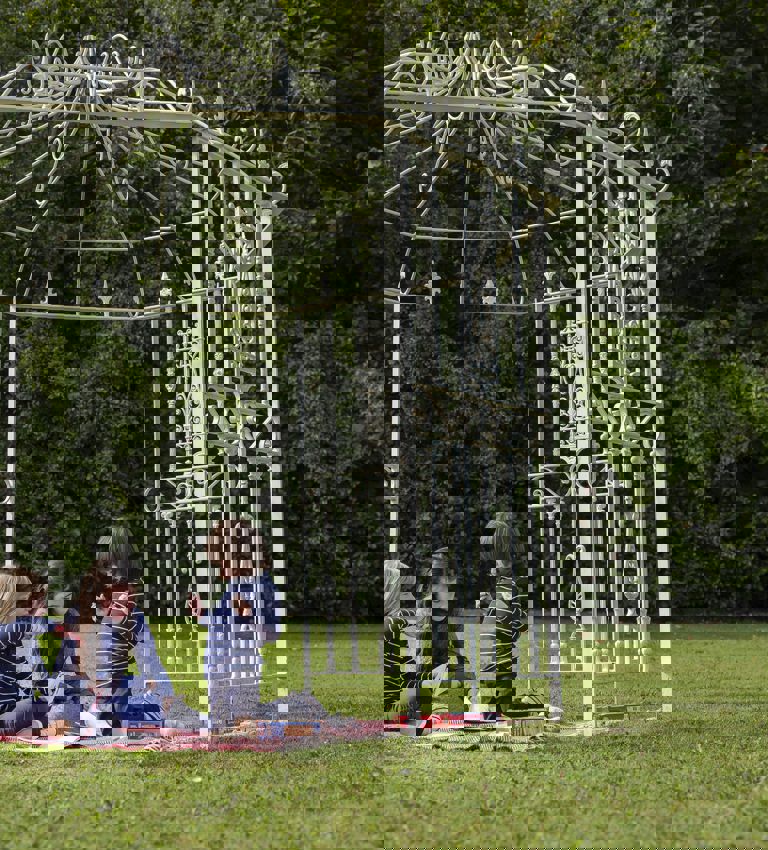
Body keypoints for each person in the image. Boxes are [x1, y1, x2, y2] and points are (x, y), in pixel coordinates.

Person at [188, 518, 275, 728]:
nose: (219, 568)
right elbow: (221, 617)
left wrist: (249, 613)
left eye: (221, 561)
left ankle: (242, 722)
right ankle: (223, 723)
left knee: (242, 704)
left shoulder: (258, 584)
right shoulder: (234, 586)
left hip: (241, 660)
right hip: (220, 659)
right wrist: (201, 613)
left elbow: (267, 630)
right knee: (219, 704)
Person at [0, 566, 49, 735]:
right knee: (36, 706)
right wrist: (36, 619)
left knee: (41, 704)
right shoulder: (6, 633)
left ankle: (31, 731)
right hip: (3, 719)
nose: (28, 607)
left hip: (9, 713)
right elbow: (13, 631)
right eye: (24, 602)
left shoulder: (11, 645)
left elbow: (26, 678)